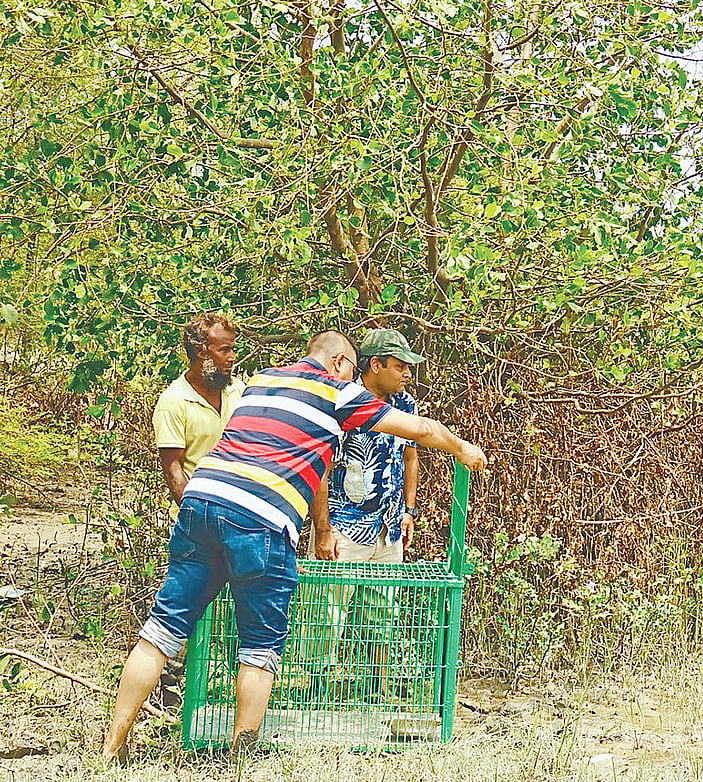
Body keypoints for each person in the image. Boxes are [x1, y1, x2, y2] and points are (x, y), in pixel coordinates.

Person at [100, 330, 487, 762]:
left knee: (160, 633)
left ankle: (111, 748)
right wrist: (463, 448)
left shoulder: (261, 380)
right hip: (260, 518)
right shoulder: (339, 393)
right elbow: (420, 428)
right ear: (341, 362)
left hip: (201, 501)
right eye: (352, 369)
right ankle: (240, 760)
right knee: (259, 649)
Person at [310, 328, 426, 563]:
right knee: (326, 601)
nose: (407, 374)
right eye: (400, 367)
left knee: (383, 601)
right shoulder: (342, 400)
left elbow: (410, 458)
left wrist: (409, 512)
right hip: (343, 530)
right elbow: (320, 470)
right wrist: (323, 532)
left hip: (389, 533)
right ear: (375, 365)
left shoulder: (405, 404)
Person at [152, 314, 244, 515]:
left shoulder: (238, 390)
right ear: (201, 352)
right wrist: (195, 517)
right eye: (224, 350)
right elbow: (173, 469)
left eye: (233, 349)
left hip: (239, 514)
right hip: (199, 518)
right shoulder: (174, 401)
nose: (232, 357)